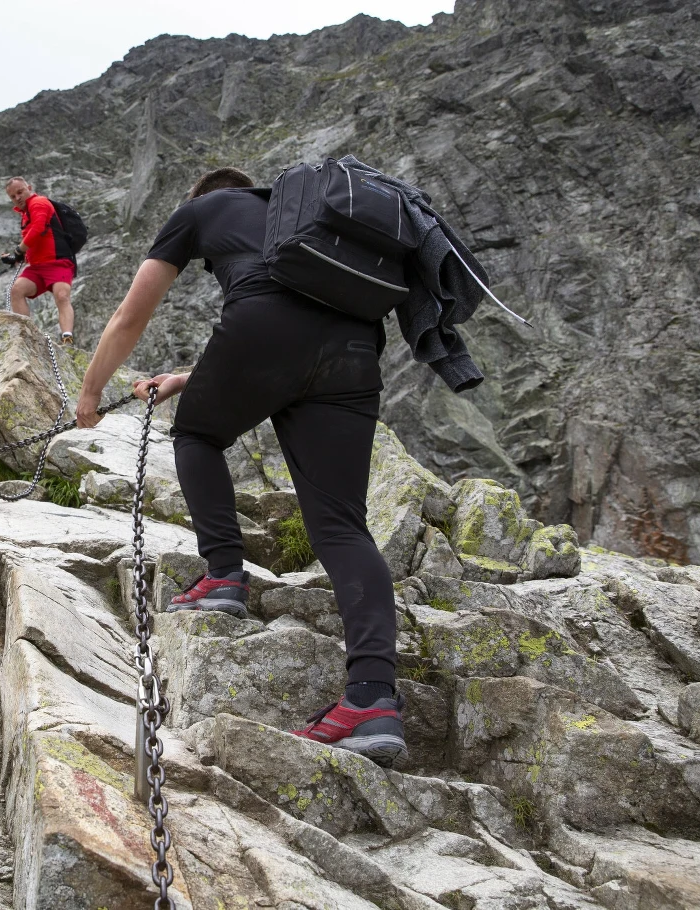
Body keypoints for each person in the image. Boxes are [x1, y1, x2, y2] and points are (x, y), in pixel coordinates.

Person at [74, 166, 458, 767]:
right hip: (356, 351)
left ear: (202, 197)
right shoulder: (307, 219)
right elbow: (297, 333)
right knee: (341, 526)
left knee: (198, 435)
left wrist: (90, 394)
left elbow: (131, 315)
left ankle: (224, 574)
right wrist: (186, 379)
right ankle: (371, 701)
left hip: (264, 331)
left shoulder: (200, 209)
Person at [2, 176, 76, 345]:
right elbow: (35, 240)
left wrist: (18, 250)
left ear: (29, 187)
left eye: (20, 192)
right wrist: (17, 257)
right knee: (17, 290)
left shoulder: (38, 203)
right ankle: (26, 335)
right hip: (36, 266)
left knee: (62, 295)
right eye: (13, 196)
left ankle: (67, 337)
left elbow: (38, 228)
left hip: (58, 262)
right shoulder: (25, 213)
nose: (17, 198)